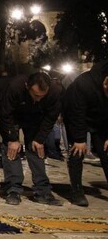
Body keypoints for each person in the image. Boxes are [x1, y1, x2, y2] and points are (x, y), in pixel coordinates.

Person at [0, 71, 62, 206]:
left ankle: (42, 190)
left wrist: (40, 138)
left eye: (42, 96)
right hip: (14, 116)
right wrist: (12, 138)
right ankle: (13, 189)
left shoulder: (55, 91)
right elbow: (5, 114)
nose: (38, 99)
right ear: (27, 86)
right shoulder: (14, 87)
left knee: (36, 149)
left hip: (36, 118)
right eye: (35, 95)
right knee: (11, 149)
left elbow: (51, 117)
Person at [62, 61, 108, 207]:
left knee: (106, 152)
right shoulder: (84, 84)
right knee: (77, 151)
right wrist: (79, 139)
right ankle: (76, 191)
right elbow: (77, 113)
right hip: (76, 115)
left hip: (101, 120)